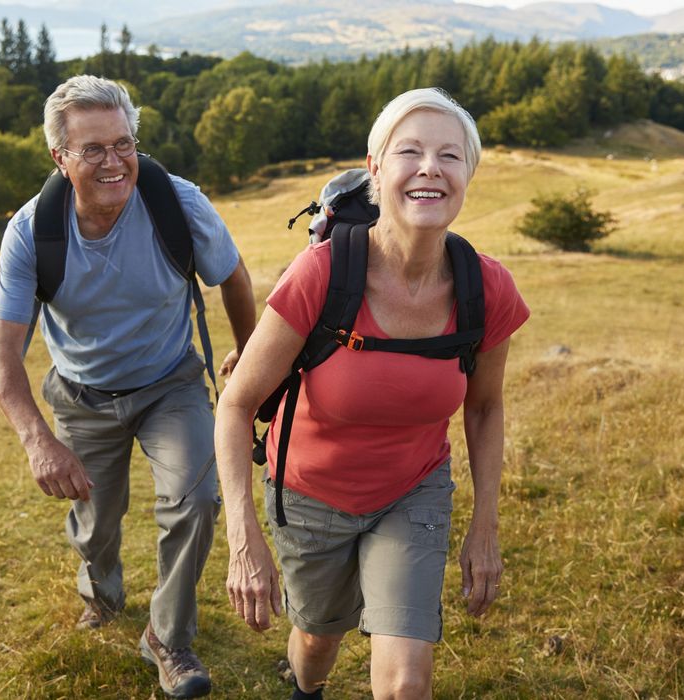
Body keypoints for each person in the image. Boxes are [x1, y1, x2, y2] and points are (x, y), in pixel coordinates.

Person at [213, 87, 529, 699]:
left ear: (468, 175)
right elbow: (236, 403)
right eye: (409, 151)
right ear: (376, 170)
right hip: (308, 494)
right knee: (315, 644)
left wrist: (485, 524)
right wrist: (242, 535)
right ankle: (307, 688)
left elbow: (485, 407)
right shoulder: (323, 273)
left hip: (413, 491)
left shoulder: (486, 287)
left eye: (450, 155)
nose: (430, 167)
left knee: (407, 682)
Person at [0, 75, 256, 700]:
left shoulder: (177, 202)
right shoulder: (32, 232)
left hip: (171, 384)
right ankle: (101, 591)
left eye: (123, 143)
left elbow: (234, 278)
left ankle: (168, 638)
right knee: (96, 524)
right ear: (60, 157)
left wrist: (248, 359)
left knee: (196, 500)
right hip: (81, 396)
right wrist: (38, 442)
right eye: (93, 149)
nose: (115, 161)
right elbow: (1, 354)